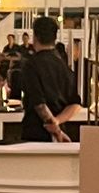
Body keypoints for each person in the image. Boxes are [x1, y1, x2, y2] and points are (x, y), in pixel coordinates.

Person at [11, 13, 81, 144]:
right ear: (55, 38)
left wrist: (55, 128)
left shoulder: (31, 65)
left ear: (35, 37)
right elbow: (75, 104)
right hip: (61, 131)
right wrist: (58, 122)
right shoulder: (63, 66)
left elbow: (40, 105)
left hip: (35, 133)